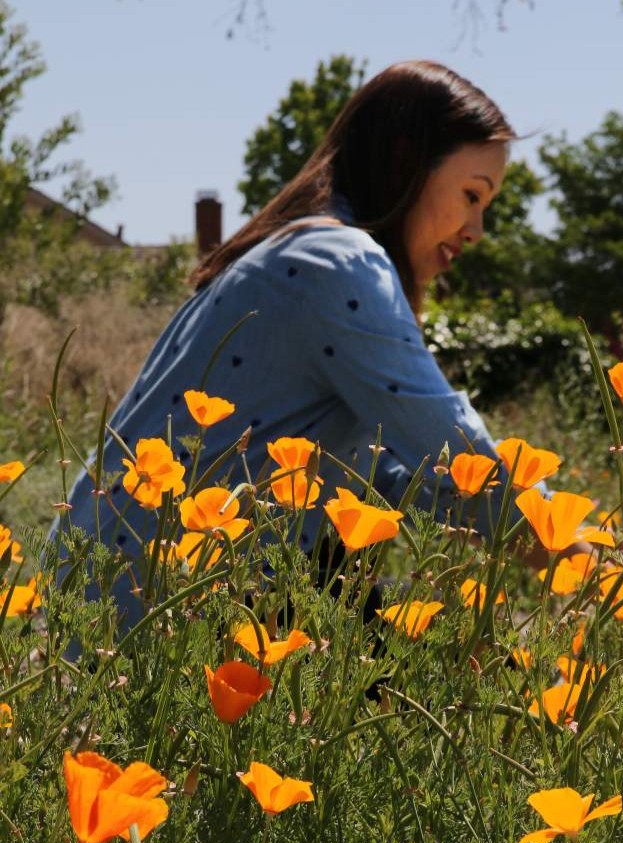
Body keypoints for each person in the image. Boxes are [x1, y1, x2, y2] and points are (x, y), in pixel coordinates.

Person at [57, 60, 519, 630]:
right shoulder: (338, 262)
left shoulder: (297, 250)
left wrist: (474, 511)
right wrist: (565, 542)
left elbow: (379, 470)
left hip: (107, 586)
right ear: (406, 161)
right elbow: (453, 449)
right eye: (472, 195)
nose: (476, 230)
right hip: (145, 612)